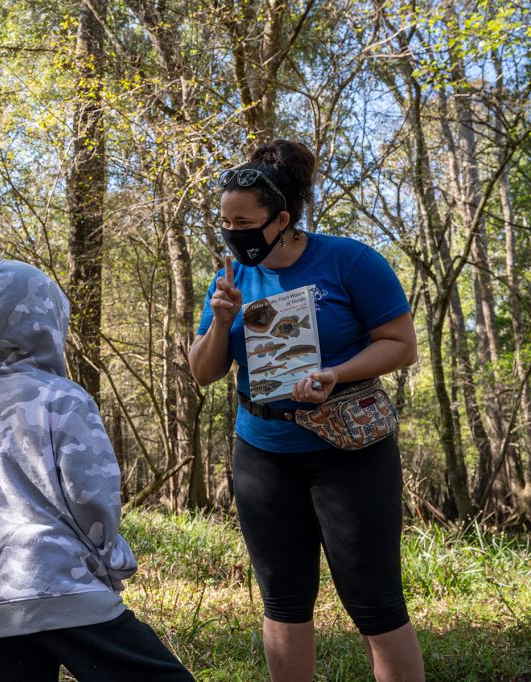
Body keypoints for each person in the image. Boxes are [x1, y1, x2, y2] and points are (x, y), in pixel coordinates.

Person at [188, 140, 424, 681]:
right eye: (224, 220)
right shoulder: (229, 279)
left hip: (348, 452)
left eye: (243, 221)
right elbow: (203, 372)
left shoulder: (350, 260)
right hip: (263, 454)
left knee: (374, 599)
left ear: (282, 219)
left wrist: (335, 374)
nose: (231, 231)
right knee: (283, 599)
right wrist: (222, 321)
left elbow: (400, 344)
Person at [0, 260, 194, 682]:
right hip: (64, 583)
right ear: (49, 323)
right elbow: (90, 494)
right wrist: (110, 556)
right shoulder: (66, 397)